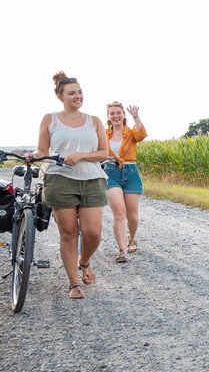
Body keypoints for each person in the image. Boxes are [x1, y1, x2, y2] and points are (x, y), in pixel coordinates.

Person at [30, 72, 108, 299]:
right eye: (72, 93)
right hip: (60, 179)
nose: (78, 96)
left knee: (93, 233)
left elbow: (104, 152)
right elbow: (42, 151)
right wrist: (32, 155)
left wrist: (80, 155)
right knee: (69, 233)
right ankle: (74, 284)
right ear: (60, 96)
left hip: (91, 179)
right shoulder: (49, 119)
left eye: (80, 92)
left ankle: (84, 262)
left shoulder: (93, 121)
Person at [103, 101, 147, 263]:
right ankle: (121, 250)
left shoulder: (131, 133)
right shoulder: (104, 134)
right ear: (108, 117)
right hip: (111, 173)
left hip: (131, 172)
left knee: (132, 216)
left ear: (123, 115)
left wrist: (136, 117)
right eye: (112, 113)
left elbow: (141, 135)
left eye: (118, 113)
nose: (115, 116)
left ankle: (132, 238)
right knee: (119, 213)